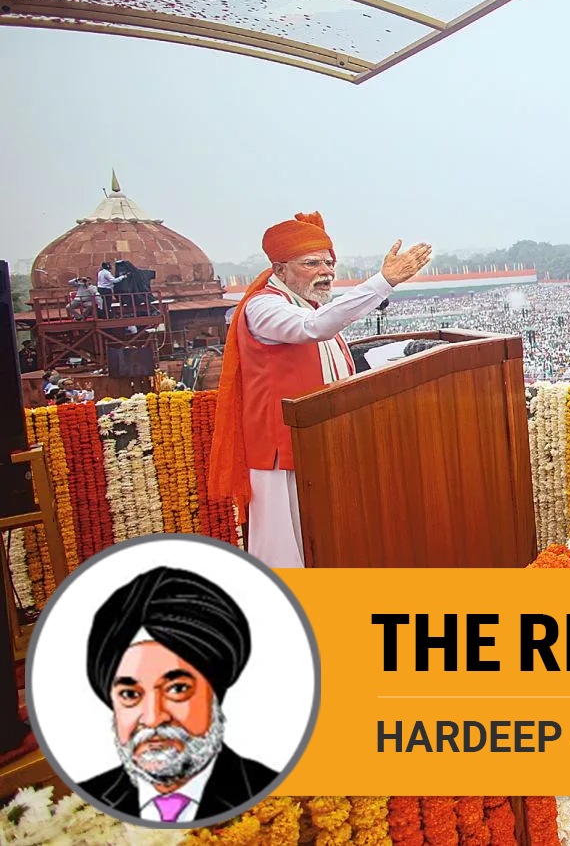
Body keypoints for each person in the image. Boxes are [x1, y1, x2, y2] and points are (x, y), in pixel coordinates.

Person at [209, 212, 431, 568]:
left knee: (327, 541)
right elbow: (314, 328)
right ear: (280, 270)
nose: (325, 272)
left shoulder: (310, 307)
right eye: (311, 263)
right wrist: (383, 282)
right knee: (285, 550)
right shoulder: (264, 307)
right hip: (281, 450)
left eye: (329, 263)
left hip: (321, 443)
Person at [78, 567, 276, 823]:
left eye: (177, 690)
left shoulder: (271, 792)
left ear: (215, 695)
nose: (153, 719)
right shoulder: (79, 806)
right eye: (130, 694)